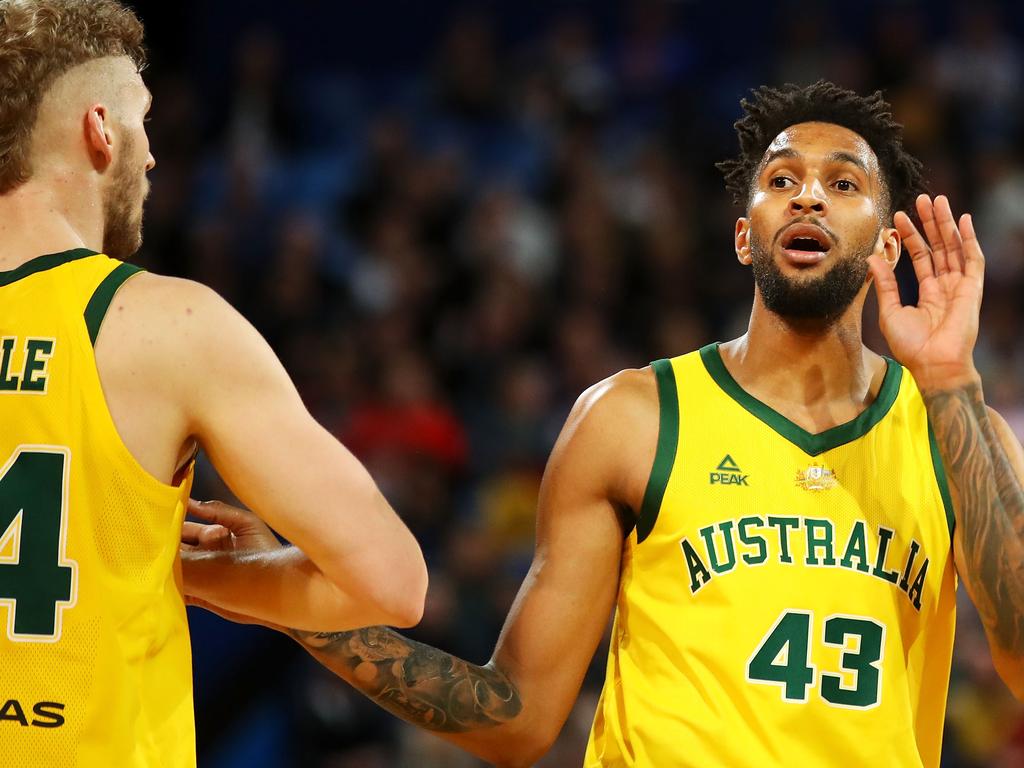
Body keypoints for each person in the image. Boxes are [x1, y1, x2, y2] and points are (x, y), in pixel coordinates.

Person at [186, 81, 1024, 767]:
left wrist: (948, 377)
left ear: (884, 242)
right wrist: (289, 601)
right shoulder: (632, 418)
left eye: (844, 183)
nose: (808, 193)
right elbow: (513, 714)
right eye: (781, 179)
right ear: (744, 236)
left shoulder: (955, 431)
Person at [0, 2, 427, 766]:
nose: (154, 156)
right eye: (143, 121)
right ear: (100, 128)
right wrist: (208, 576)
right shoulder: (168, 325)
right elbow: (392, 582)